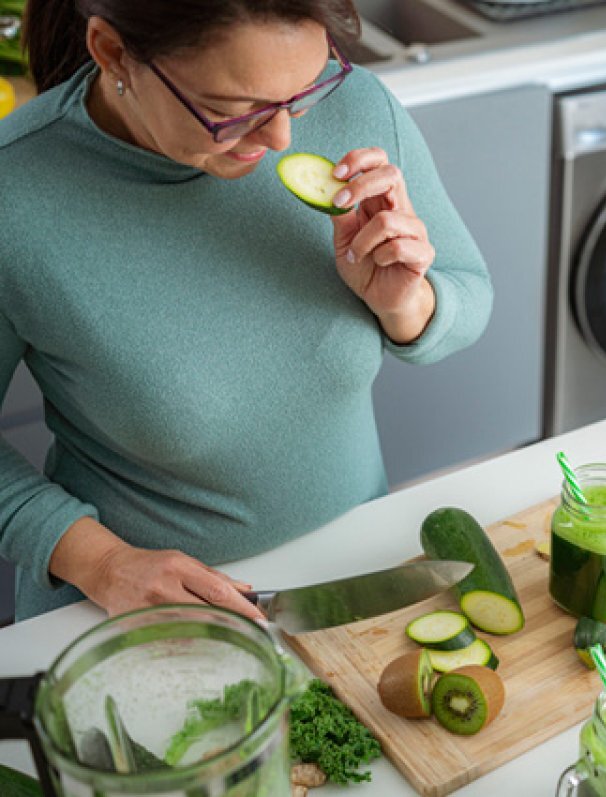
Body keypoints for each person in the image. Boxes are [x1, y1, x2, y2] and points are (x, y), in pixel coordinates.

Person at [0, 0, 493, 622]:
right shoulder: (13, 193)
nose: (283, 138)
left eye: (305, 91)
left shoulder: (356, 105)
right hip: (135, 608)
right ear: (113, 52)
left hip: (351, 575)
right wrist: (101, 563)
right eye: (231, 112)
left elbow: (469, 294)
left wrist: (406, 302)